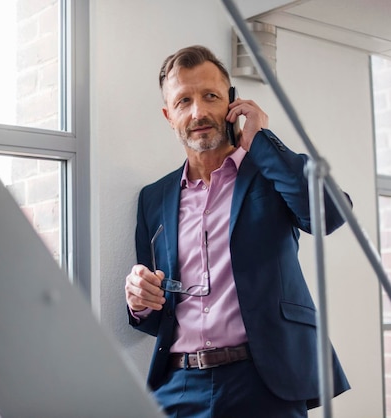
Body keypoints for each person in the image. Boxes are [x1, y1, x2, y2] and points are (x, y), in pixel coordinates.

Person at [124, 45, 350, 418]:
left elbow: (329, 215)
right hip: (179, 386)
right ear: (169, 115)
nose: (198, 112)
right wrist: (138, 301)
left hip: (266, 382)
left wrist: (262, 142)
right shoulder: (153, 198)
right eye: (183, 101)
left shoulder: (270, 172)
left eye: (210, 96)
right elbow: (152, 311)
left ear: (231, 102)